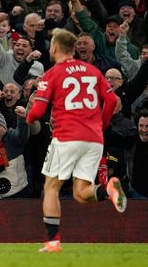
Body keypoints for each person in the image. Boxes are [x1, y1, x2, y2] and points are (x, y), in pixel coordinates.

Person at [26, 29, 125, 252]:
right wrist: (102, 123)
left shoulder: (52, 74)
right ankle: (108, 189)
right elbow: (111, 99)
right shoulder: (93, 71)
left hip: (66, 136)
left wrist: (29, 117)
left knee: (51, 187)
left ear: (55, 48)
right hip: (93, 139)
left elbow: (38, 110)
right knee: (81, 192)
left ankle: (53, 243)